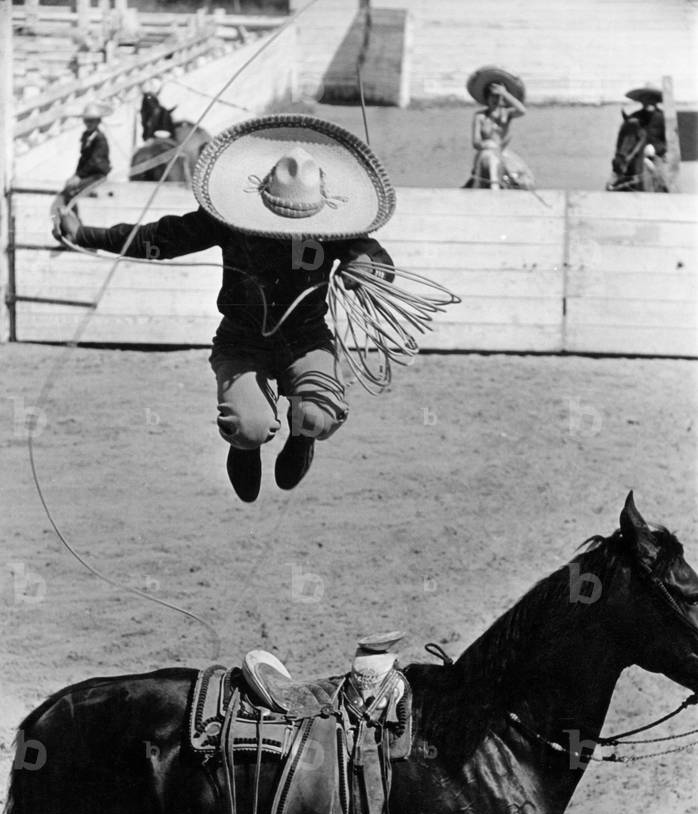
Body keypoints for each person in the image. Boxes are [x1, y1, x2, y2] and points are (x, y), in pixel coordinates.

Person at [55, 115, 395, 503]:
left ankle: (302, 437)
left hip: (306, 340)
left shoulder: (335, 229)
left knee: (320, 414)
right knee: (249, 426)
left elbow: (377, 259)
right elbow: (159, 238)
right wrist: (85, 234)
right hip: (242, 341)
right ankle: (245, 445)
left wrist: (367, 267)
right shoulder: (230, 220)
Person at [464, 66, 533, 189]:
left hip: (502, 152)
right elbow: (475, 142)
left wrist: (504, 92)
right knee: (484, 163)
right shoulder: (480, 116)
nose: (495, 100)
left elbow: (522, 110)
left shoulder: (506, 114)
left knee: (519, 180)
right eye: (492, 96)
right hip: (485, 151)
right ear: (487, 97)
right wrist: (487, 145)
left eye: (498, 96)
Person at [56, 102, 111, 210]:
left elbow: (95, 161)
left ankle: (73, 216)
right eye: (86, 121)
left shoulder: (100, 138)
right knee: (68, 187)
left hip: (97, 175)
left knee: (73, 190)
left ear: (98, 121)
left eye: (92, 121)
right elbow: (83, 158)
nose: (88, 124)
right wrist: (76, 175)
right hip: (88, 174)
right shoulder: (86, 136)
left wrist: (79, 176)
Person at [623, 85, 668, 189]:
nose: (647, 102)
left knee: (661, 180)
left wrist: (657, 149)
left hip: (658, 154)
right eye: (645, 99)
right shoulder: (636, 116)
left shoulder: (662, 117)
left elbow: (668, 139)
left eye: (650, 99)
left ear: (656, 100)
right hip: (638, 154)